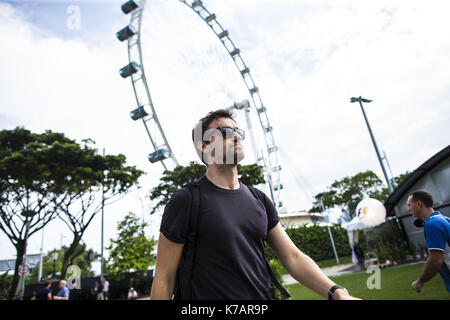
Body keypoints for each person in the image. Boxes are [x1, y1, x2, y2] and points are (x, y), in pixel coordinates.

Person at [150, 109, 359, 300]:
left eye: (237, 131)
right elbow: (164, 277)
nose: (236, 136)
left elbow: (293, 257)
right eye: (224, 131)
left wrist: (336, 293)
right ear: (204, 145)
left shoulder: (259, 199)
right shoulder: (186, 200)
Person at [408, 190, 450, 293]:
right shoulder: (444, 219)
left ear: (419, 204)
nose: (409, 209)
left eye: (409, 205)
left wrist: (420, 281)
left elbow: (435, 261)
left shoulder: (432, 224)